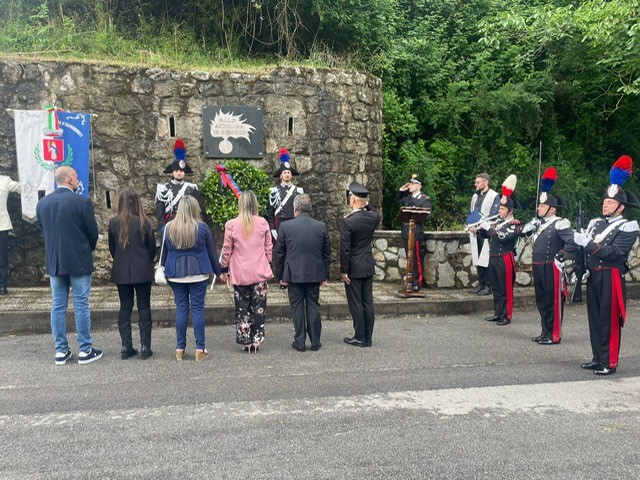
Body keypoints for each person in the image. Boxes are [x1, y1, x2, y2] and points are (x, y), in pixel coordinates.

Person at [574, 155, 639, 376]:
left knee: (609, 320)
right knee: (594, 318)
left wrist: (589, 244)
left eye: (610, 202)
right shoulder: (596, 223)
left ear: (620, 207)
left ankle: (609, 361)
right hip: (593, 275)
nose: (605, 204)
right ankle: (597, 357)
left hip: (611, 276)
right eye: (604, 201)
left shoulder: (628, 227)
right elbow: (586, 250)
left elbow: (615, 253)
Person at [36, 166, 101, 365]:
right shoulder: (81, 202)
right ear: (71, 180)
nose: (79, 180)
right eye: (77, 177)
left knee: (58, 306)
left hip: (55, 261)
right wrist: (84, 250)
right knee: (81, 304)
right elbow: (93, 233)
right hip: (79, 260)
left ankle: (61, 350)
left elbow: (43, 229)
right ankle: (85, 349)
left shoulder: (42, 204)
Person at [521, 167, 578, 345]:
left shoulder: (560, 223)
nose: (539, 208)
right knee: (542, 300)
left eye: (542, 206)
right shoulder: (539, 224)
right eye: (539, 205)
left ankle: (554, 335)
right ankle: (545, 331)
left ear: (552, 209)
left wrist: (561, 255)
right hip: (538, 265)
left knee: (553, 301)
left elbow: (572, 243)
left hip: (552, 267)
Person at [161, 195, 221, 361]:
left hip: (175, 274)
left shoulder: (168, 228)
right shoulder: (202, 228)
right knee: (197, 309)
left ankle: (180, 348)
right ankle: (200, 348)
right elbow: (212, 253)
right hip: (198, 272)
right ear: (195, 209)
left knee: (181, 308)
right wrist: (219, 272)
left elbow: (163, 254)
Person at [275, 194, 331, 352]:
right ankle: (315, 341)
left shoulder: (285, 227)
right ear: (310, 209)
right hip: (315, 273)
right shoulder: (321, 226)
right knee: (313, 305)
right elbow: (327, 253)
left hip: (293, 274)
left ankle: (299, 341)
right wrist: (324, 274)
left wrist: (281, 276)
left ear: (295, 209)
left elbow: (279, 253)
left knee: (297, 307)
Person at [219, 191, 273, 353]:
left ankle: (245, 340)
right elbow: (268, 247)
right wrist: (268, 262)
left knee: (242, 308)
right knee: (259, 307)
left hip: (240, 271)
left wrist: (223, 268)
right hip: (259, 270)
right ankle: (257, 340)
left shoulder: (231, 224)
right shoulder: (263, 223)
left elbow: (226, 249)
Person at [108, 187, 156, 359]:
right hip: (142, 268)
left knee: (125, 306)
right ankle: (145, 347)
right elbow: (152, 249)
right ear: (137, 202)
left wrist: (121, 261)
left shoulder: (114, 222)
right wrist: (146, 261)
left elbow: (112, 249)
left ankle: (126, 346)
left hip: (121, 270)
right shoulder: (145, 222)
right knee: (144, 305)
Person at [477, 175, 525, 326]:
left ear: (510, 211)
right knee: (496, 287)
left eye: (502, 209)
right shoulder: (498, 222)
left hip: (505, 257)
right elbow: (487, 235)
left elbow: (502, 237)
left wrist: (489, 229)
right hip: (493, 256)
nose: (500, 210)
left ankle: (507, 315)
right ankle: (498, 313)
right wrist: (481, 228)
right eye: (500, 208)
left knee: (505, 288)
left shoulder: (514, 224)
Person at [341, 182, 381, 347]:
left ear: (353, 200)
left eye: (351, 197)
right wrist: (365, 202)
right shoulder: (373, 218)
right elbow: (373, 211)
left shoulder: (348, 221)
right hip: (367, 264)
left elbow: (345, 248)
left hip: (354, 267)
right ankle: (368, 338)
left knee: (356, 302)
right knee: (367, 302)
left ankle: (359, 337)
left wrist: (344, 270)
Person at [395, 174, 432, 291]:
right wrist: (401, 190)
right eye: (410, 183)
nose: (410, 186)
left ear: (419, 186)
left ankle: (417, 282)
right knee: (409, 258)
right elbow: (397, 200)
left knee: (416, 259)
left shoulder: (424, 199)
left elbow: (428, 216)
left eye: (412, 184)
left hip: (416, 233)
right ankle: (410, 281)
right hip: (407, 232)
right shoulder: (408, 198)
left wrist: (417, 214)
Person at [467, 173, 500, 296]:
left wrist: (479, 226)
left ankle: (488, 285)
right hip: (476, 232)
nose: (476, 184)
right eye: (476, 182)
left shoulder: (494, 196)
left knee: (486, 259)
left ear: (486, 182)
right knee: (478, 259)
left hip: (486, 232)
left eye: (478, 182)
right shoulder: (475, 197)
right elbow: (471, 212)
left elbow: (493, 215)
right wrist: (471, 225)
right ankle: (481, 283)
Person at [155, 139, 200, 229]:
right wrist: (163, 229)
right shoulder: (163, 188)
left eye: (181, 171)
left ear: (184, 172)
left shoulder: (192, 188)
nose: (179, 173)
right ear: (172, 172)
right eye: (176, 171)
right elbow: (160, 214)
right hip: (171, 225)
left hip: (188, 225)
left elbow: (197, 211)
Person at [267, 148, 303, 241]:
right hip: (279, 224)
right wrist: (272, 228)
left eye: (288, 172)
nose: (287, 174)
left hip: (294, 223)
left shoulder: (299, 191)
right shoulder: (273, 191)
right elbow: (270, 213)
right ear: (281, 176)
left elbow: (302, 211)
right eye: (285, 172)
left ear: (291, 175)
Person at [0, 175, 21, 295]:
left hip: (1, 225)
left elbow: (21, 188)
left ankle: (1, 285)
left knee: (2, 257)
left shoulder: (5, 180)